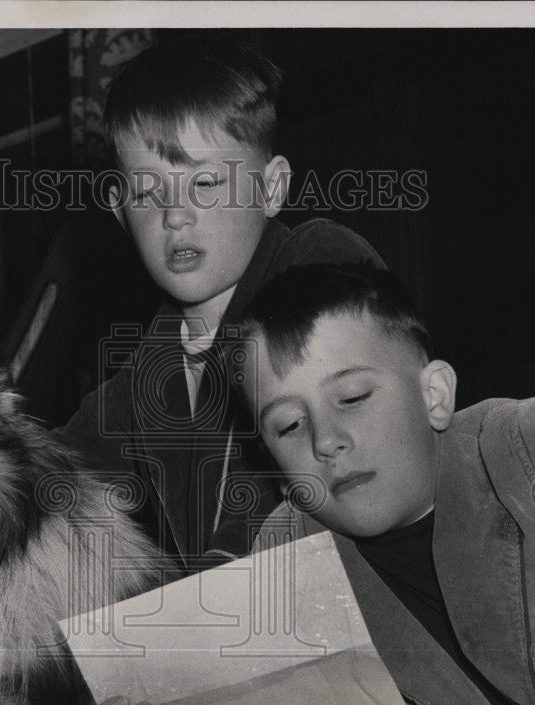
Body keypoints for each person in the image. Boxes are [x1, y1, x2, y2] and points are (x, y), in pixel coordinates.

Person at [233, 263, 535, 705]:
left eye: (352, 397)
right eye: (289, 425)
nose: (325, 440)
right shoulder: (282, 565)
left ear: (433, 395)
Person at [57, 35, 387, 573]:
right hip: (244, 626)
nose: (175, 215)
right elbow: (57, 473)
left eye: (205, 183)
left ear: (272, 187)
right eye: (146, 194)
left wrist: (215, 575)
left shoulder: (316, 264)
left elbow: (297, 459)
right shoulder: (145, 371)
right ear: (120, 215)